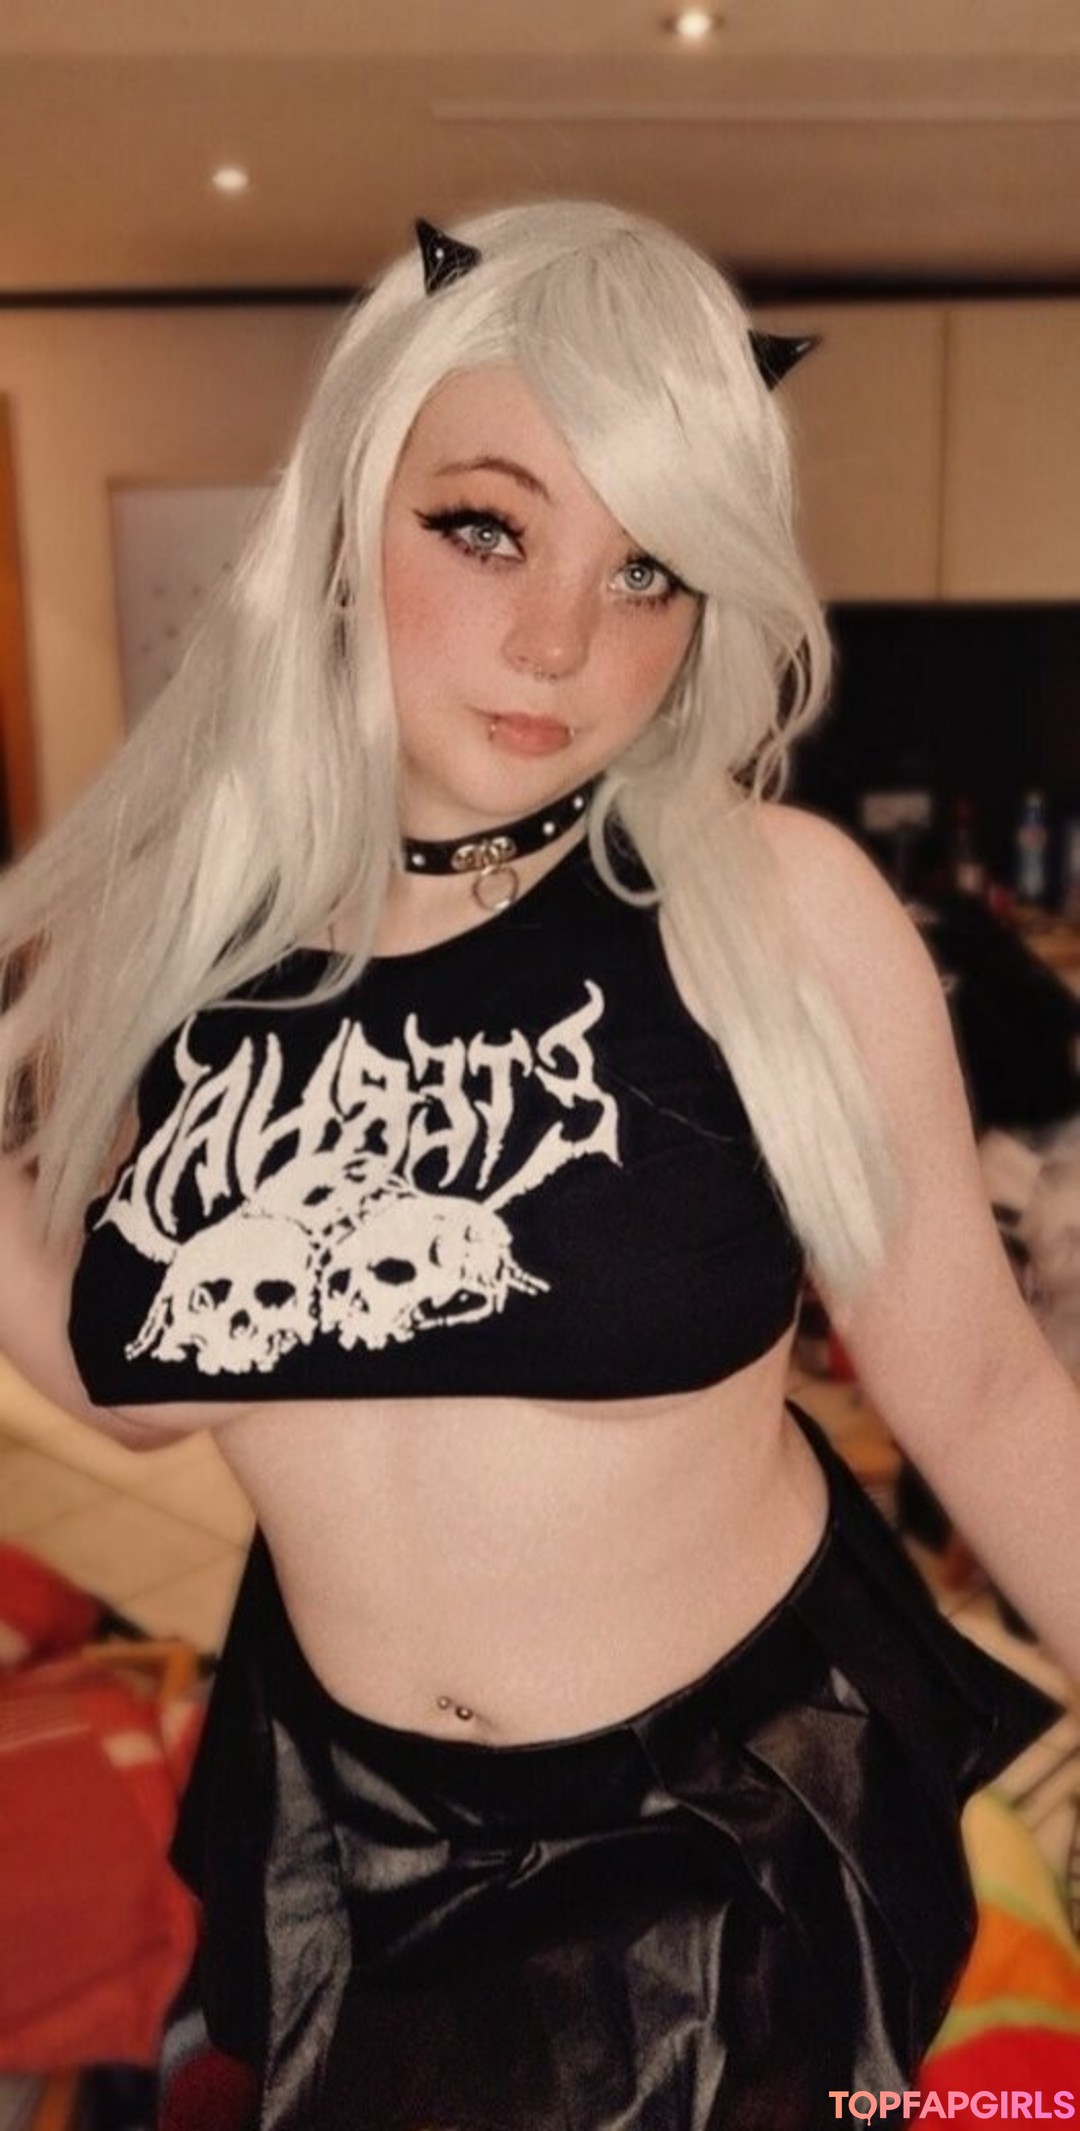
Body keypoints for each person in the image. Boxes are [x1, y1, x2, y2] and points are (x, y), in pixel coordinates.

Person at [0, 201, 1076, 2131]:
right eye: (487, 527)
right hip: (342, 1842)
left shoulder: (767, 912)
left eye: (648, 568)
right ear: (353, 508)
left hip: (721, 1848)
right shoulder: (178, 943)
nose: (565, 640)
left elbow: (990, 1398)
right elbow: (142, 1375)